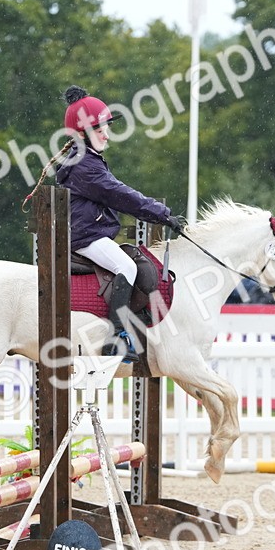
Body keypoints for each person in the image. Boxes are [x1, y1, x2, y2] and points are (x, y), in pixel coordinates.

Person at [53, 85, 182, 363]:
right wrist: (160, 213)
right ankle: (116, 337)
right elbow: (120, 194)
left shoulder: (87, 160)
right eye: (100, 130)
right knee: (126, 266)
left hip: (88, 233)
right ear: (84, 132)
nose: (107, 134)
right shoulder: (84, 166)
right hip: (84, 237)